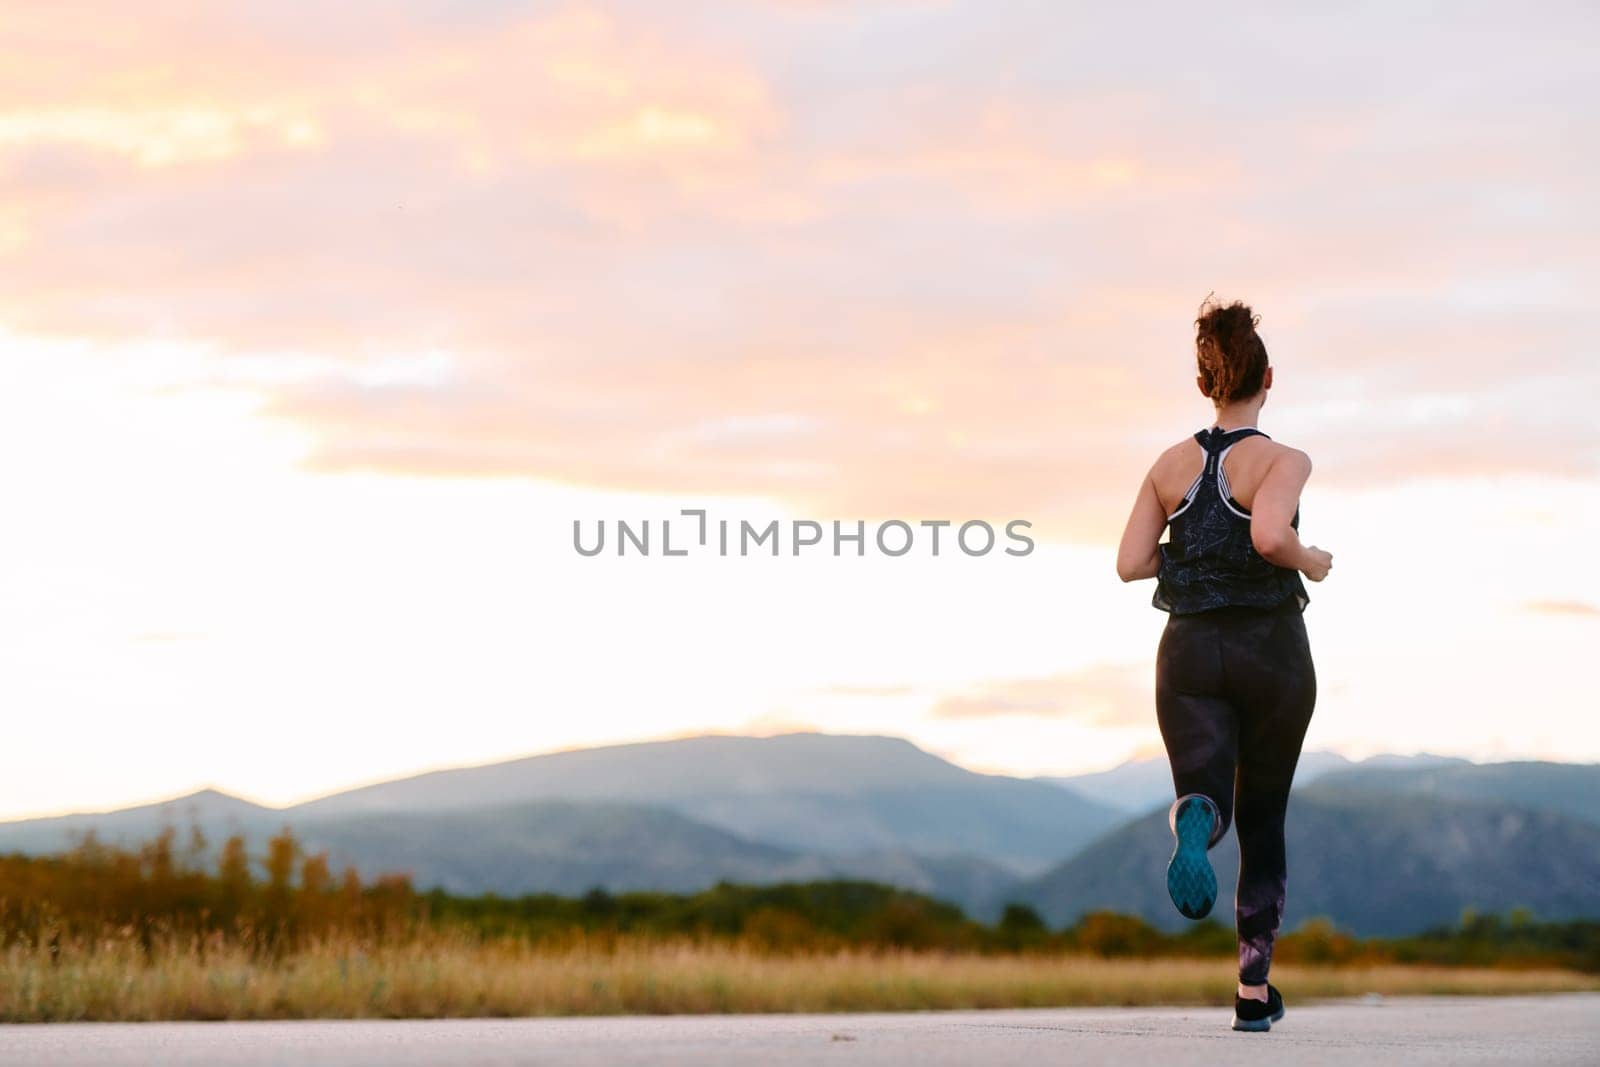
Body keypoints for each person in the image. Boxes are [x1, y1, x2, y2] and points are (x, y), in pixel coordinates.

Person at [1115, 297, 1332, 1033]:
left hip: (1187, 651)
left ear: (1205, 381)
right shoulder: (1283, 459)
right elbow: (1271, 534)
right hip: (1270, 649)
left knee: (1209, 793)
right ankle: (1251, 989)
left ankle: (1195, 815)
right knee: (1264, 819)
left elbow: (1130, 562)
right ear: (1267, 376)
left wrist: (1192, 554)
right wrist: (1312, 558)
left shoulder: (1169, 465)